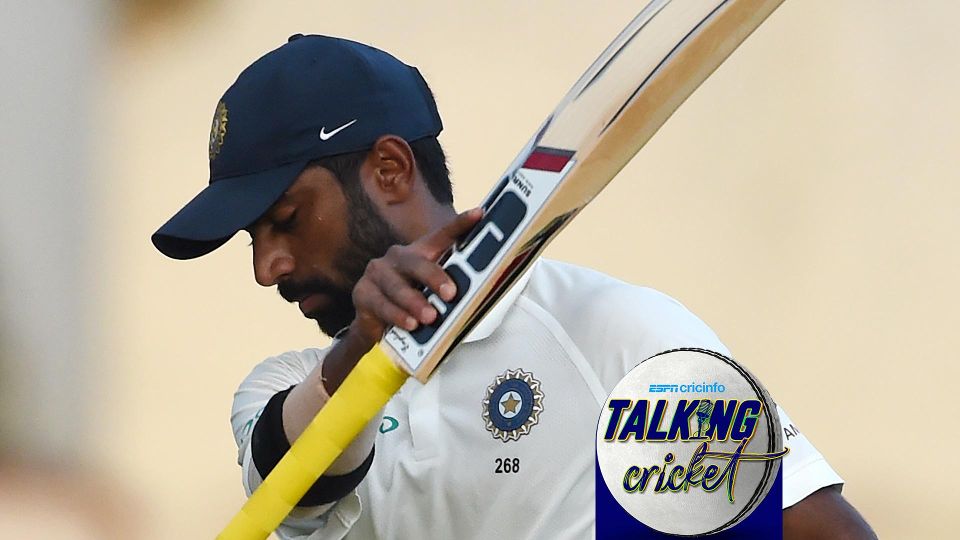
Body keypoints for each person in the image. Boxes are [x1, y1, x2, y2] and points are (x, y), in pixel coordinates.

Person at [152, 35, 875, 539]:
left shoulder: (611, 338)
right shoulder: (282, 389)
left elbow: (819, 534)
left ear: (391, 170)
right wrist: (367, 347)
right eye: (253, 240)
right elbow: (298, 484)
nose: (266, 267)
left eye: (285, 220)